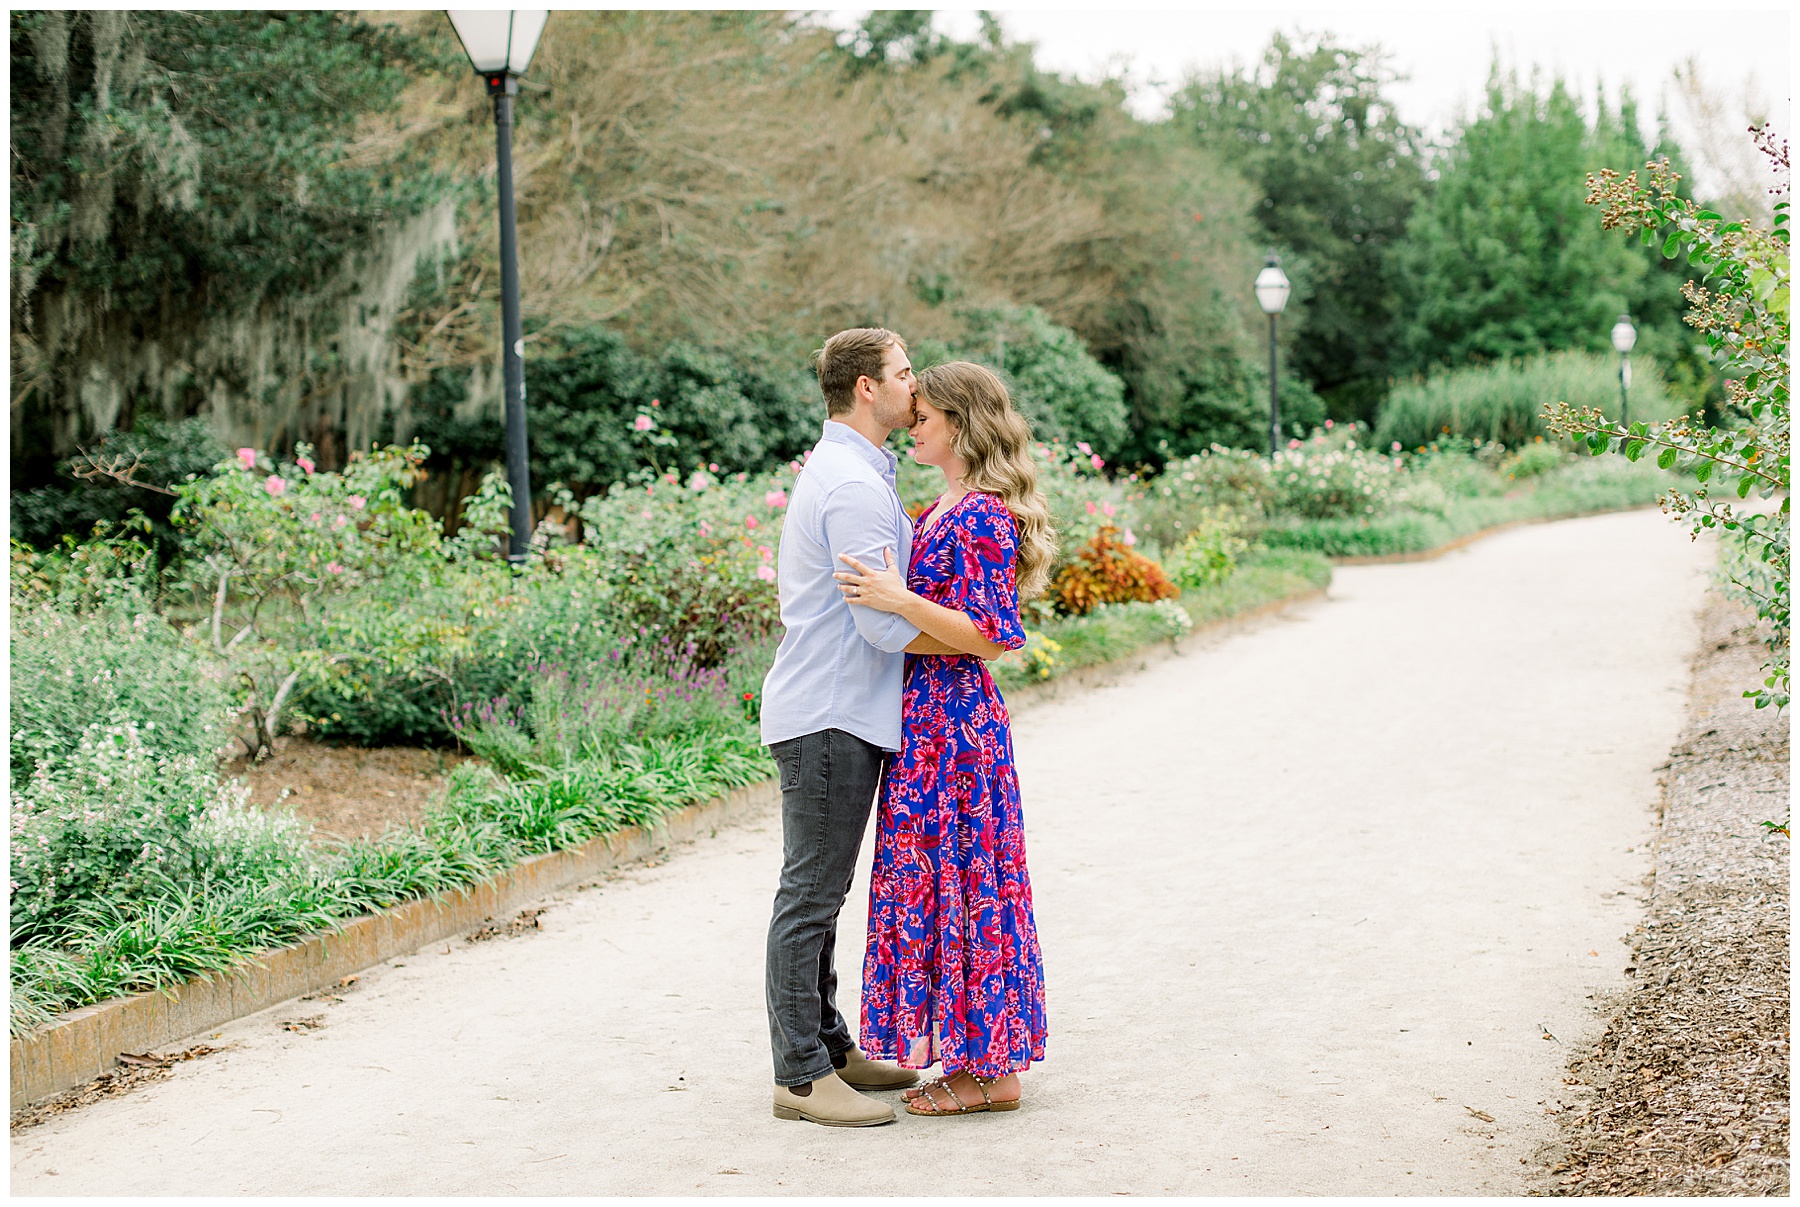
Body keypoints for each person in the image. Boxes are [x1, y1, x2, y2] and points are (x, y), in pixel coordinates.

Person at [759, 328, 984, 1128]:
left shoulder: (856, 471)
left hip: (840, 710)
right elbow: (881, 625)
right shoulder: (852, 485)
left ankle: (829, 1047)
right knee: (810, 896)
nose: (913, 385)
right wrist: (973, 636)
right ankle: (799, 1074)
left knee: (824, 891)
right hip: (829, 712)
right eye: (902, 373)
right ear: (865, 388)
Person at [833, 360, 1054, 1117]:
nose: (912, 421)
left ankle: (984, 1073)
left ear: (959, 421)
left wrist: (897, 602)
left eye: (923, 414)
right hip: (930, 724)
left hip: (956, 731)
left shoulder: (983, 512)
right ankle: (981, 1064)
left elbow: (990, 636)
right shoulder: (948, 504)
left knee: (961, 887)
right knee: (946, 885)